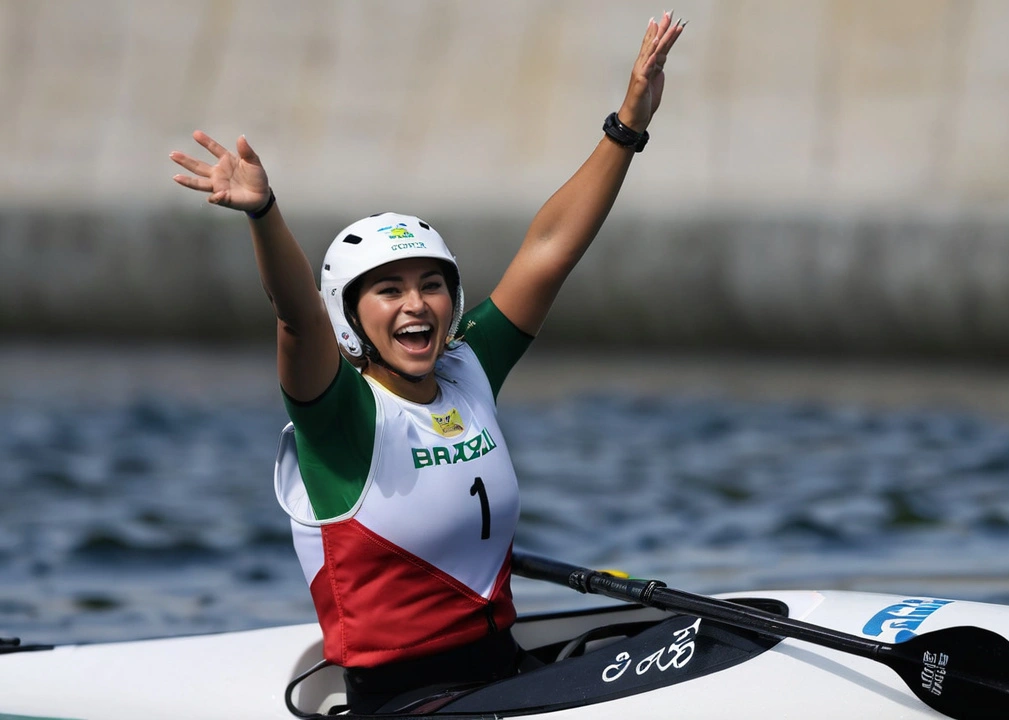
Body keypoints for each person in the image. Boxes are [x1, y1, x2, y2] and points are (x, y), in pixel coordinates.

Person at [169, 12, 685, 714]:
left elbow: (550, 249)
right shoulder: (338, 416)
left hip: (503, 672)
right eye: (388, 290)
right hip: (406, 700)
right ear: (351, 317)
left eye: (431, 284)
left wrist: (627, 123)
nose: (416, 304)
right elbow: (294, 314)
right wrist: (265, 213)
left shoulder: (468, 368)